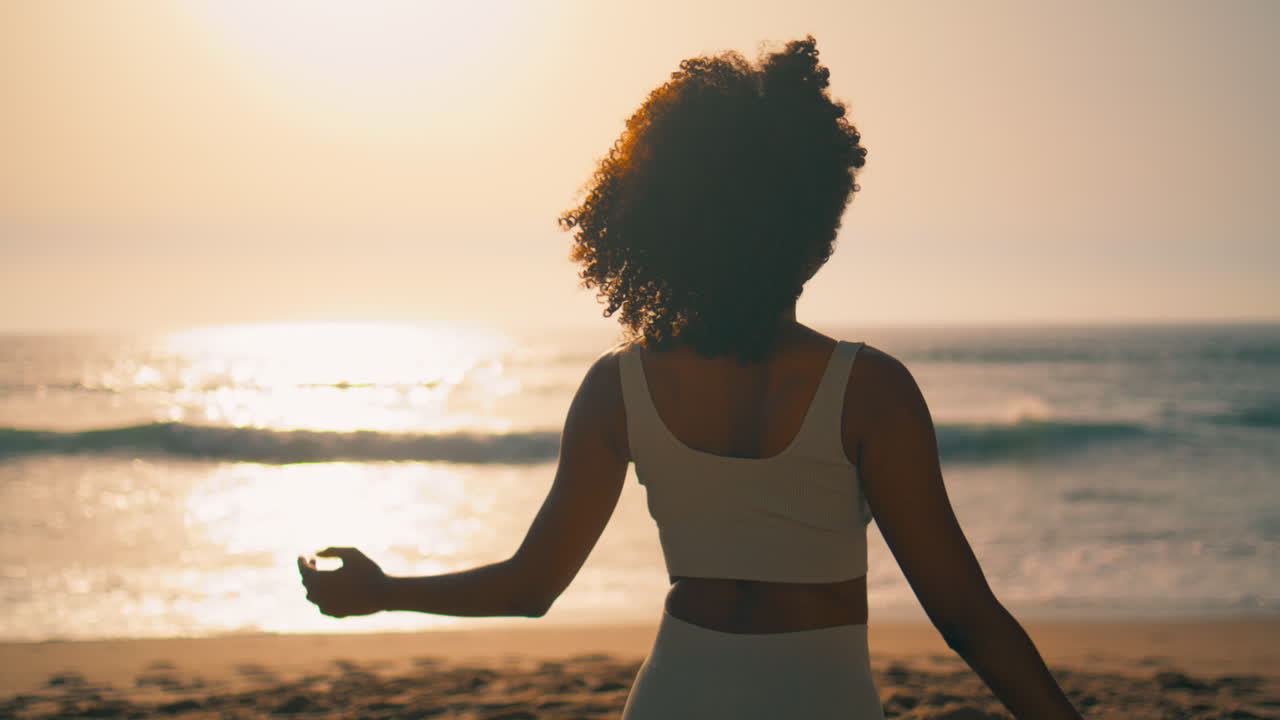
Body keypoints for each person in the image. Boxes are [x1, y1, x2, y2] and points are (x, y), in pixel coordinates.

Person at [298, 36, 1083, 720]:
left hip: (677, 694)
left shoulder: (618, 389)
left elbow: (530, 587)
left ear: (665, 233)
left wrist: (385, 591)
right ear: (812, 233)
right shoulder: (870, 389)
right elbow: (964, 616)